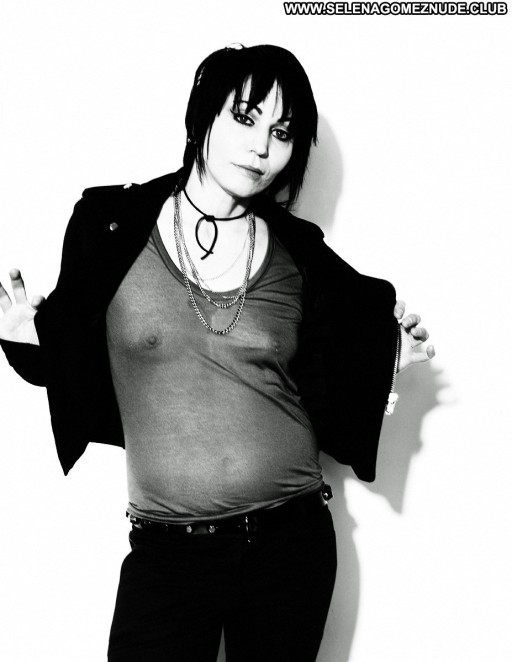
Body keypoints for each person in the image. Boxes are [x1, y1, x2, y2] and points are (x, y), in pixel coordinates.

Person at [0, 44, 434, 662]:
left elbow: (331, 371)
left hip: (292, 544)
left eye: (281, 133)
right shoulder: (112, 223)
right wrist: (24, 342)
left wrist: (385, 359)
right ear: (203, 115)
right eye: (245, 118)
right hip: (167, 552)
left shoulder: (298, 252)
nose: (261, 148)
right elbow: (74, 365)